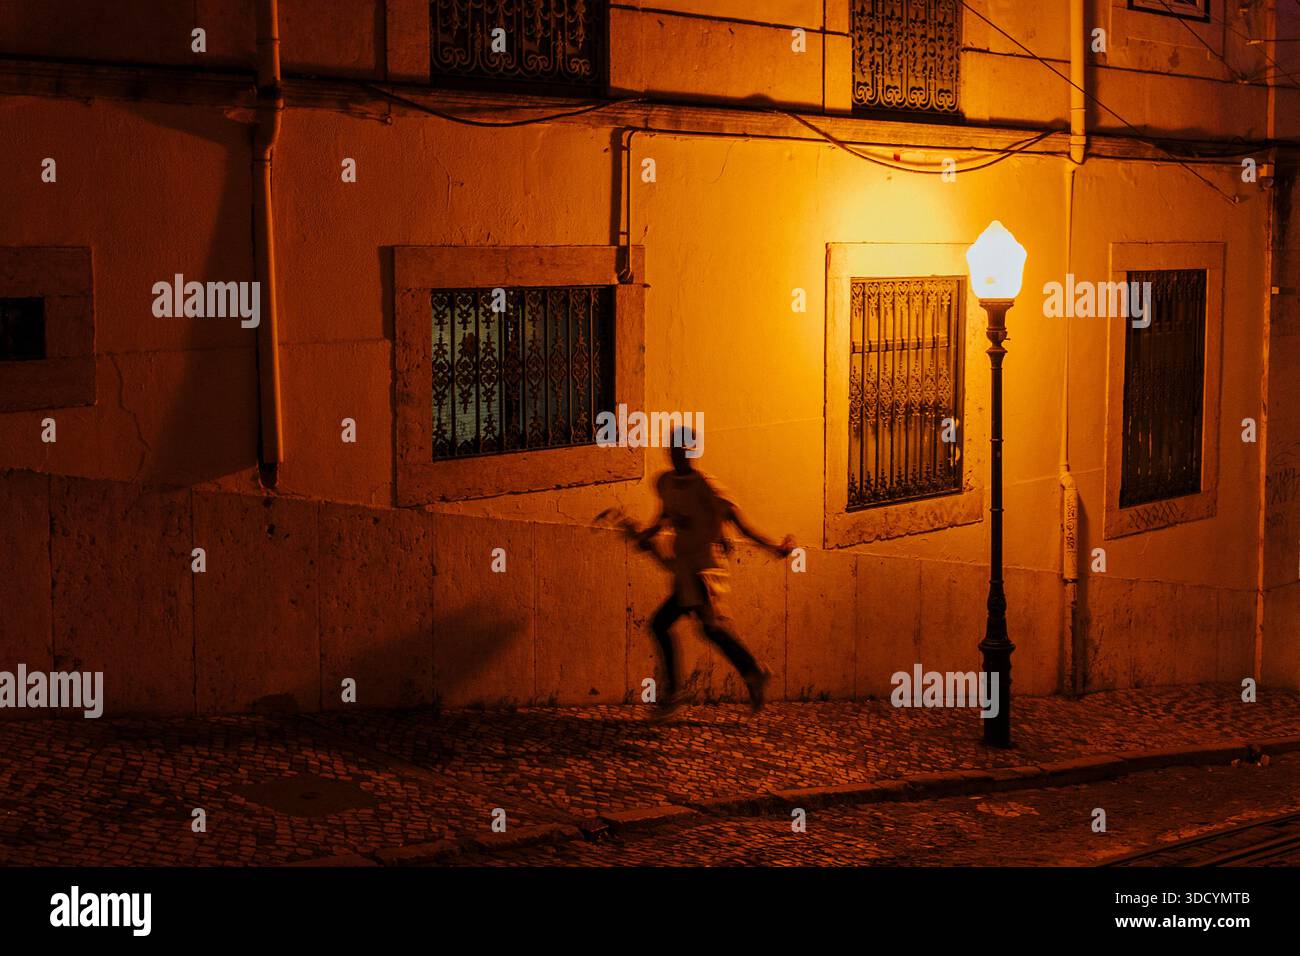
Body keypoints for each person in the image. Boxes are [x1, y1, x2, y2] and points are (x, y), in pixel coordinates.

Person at [625, 428, 794, 719]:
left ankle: (675, 693)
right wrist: (645, 534)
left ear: (692, 452)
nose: (677, 454)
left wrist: (774, 547)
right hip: (684, 570)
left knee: (668, 624)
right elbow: (663, 518)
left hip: (705, 571)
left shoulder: (708, 489)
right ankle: (751, 671)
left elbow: (742, 527)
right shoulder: (664, 483)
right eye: (673, 448)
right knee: (707, 628)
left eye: (682, 449)